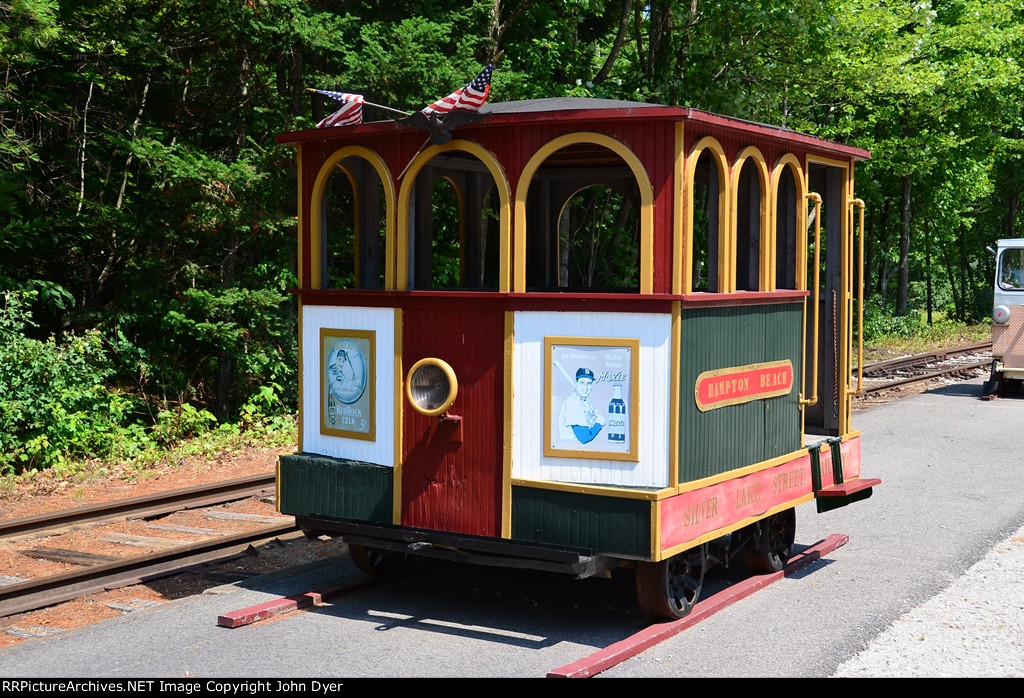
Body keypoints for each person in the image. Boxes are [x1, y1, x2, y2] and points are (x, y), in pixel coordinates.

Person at [559, 367, 605, 444]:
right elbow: (584, 438)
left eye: (589, 383)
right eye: (582, 383)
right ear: (575, 384)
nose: (586, 388)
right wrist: (599, 424)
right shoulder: (573, 403)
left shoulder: (584, 402)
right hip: (571, 448)